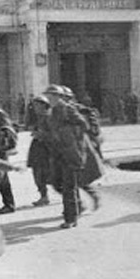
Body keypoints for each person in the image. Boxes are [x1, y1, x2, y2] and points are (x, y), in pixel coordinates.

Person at [43, 84, 89, 228]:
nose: (49, 99)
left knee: (69, 186)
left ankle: (70, 218)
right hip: (58, 153)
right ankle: (76, 207)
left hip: (70, 153)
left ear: (58, 97)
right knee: (58, 183)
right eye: (48, 96)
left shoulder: (67, 109)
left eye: (51, 96)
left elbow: (83, 124)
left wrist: (68, 135)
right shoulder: (51, 111)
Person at [27, 94, 57, 206]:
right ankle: (43, 196)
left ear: (44, 105)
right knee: (38, 174)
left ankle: (70, 197)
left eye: (37, 105)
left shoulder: (49, 117)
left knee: (50, 175)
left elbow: (55, 135)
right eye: (34, 106)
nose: (35, 108)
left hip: (47, 150)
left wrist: (42, 135)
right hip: (38, 149)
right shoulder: (39, 117)